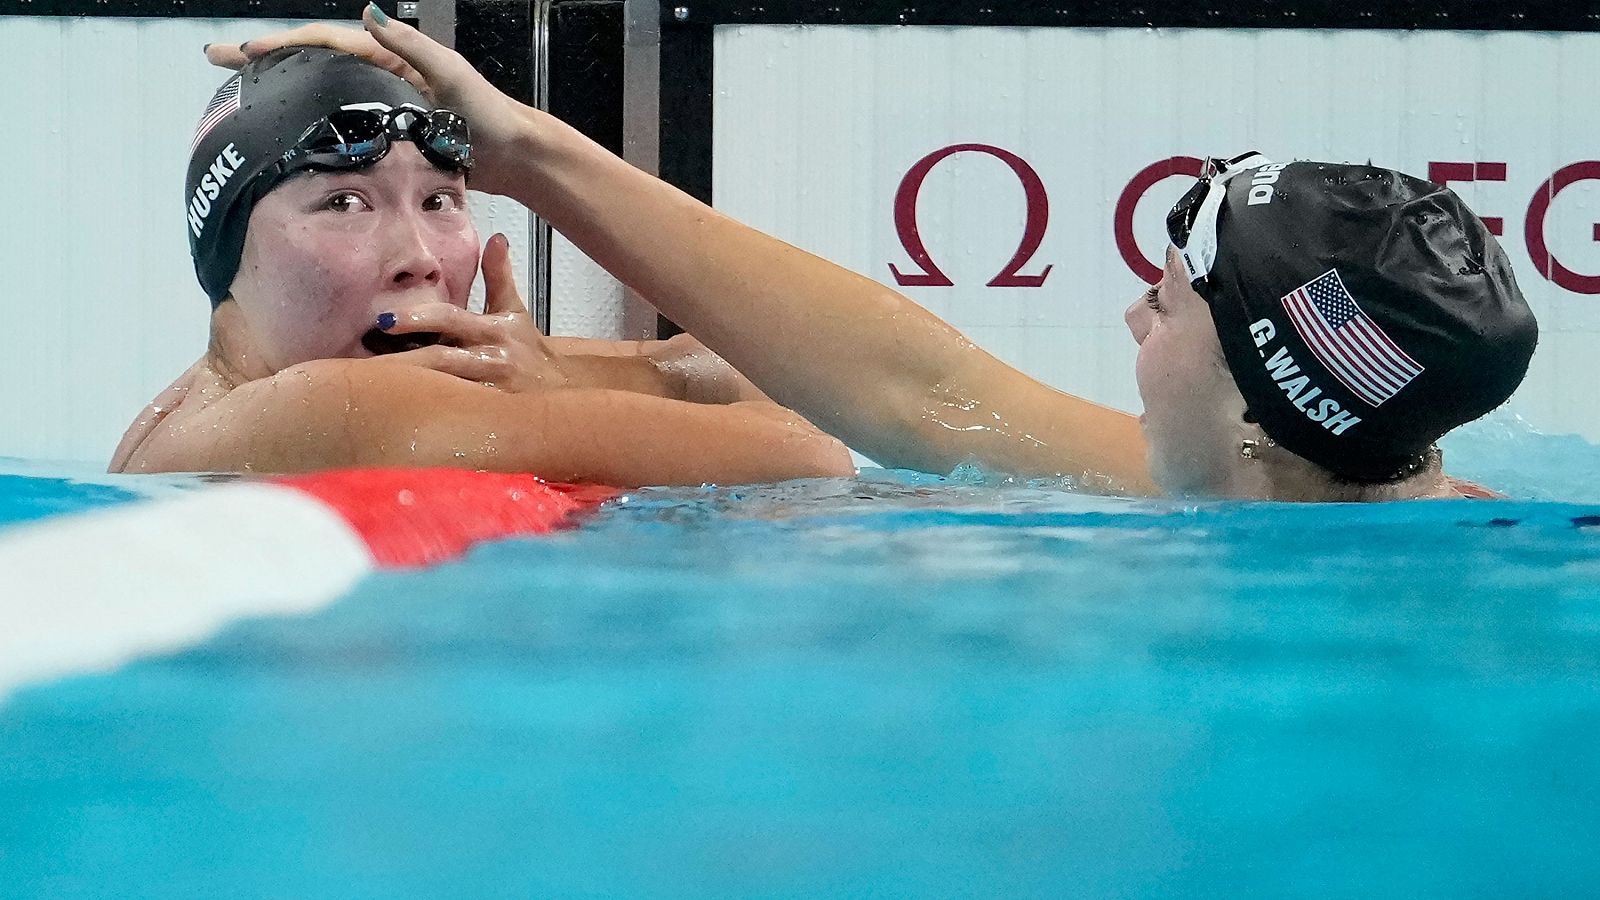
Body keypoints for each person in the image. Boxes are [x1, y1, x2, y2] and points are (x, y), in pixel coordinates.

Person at [212, 8, 1539, 501]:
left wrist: (559, 398)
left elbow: (825, 442)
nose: (1140, 317)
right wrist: (532, 155)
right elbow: (914, 390)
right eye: (342, 202)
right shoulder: (1299, 478)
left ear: (1264, 409)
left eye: (1177, 298)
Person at [111, 47, 854, 485]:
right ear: (226, 250)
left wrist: (545, 376)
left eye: (440, 201)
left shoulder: (190, 411)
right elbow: (810, 453)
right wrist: (554, 388)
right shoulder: (322, 406)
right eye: (343, 203)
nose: (420, 260)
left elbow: (709, 366)